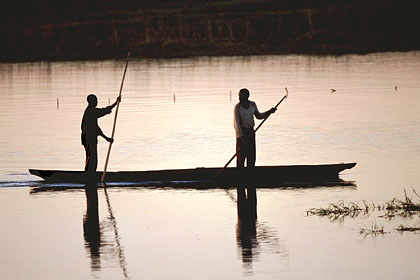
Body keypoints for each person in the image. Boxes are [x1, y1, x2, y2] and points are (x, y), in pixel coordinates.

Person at [233, 88, 276, 168]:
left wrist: (269, 112)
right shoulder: (237, 107)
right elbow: (236, 123)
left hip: (251, 132)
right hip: (242, 133)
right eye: (239, 96)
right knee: (241, 156)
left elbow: (258, 116)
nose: (239, 98)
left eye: (241, 96)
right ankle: (239, 174)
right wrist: (241, 137)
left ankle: (250, 173)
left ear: (246, 96)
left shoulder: (252, 105)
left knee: (251, 155)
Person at [81, 94, 121, 173]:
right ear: (91, 102)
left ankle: (89, 175)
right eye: (96, 101)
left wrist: (116, 103)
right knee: (92, 159)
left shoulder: (91, 111)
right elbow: (96, 129)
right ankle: (89, 176)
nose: (97, 102)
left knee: (92, 159)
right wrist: (107, 138)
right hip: (89, 138)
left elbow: (103, 111)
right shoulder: (90, 111)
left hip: (88, 138)